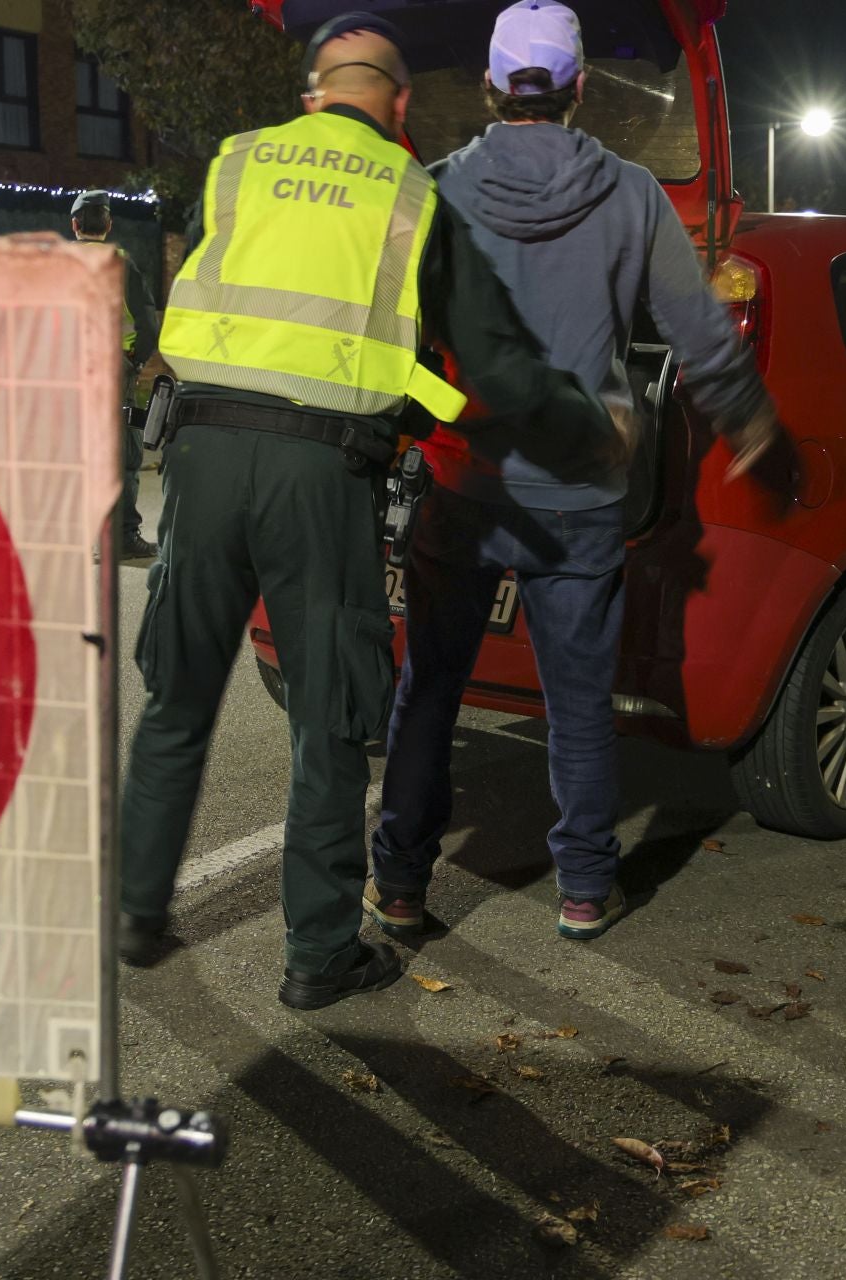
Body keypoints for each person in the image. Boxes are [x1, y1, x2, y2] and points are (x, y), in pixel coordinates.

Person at [118, 12, 596, 1008]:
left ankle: (135, 909)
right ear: (403, 103)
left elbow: (217, 307)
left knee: (176, 695)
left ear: (311, 95)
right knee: (329, 721)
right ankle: (320, 951)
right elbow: (485, 357)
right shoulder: (415, 192)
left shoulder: (239, 162)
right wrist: (560, 429)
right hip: (318, 476)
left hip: (200, 455)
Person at [367, 0, 780, 943]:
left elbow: (389, 331)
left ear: (487, 84)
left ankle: (399, 883)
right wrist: (749, 417)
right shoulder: (632, 194)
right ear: (580, 89)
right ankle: (586, 887)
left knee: (429, 689)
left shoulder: (436, 194)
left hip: (467, 479)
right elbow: (696, 327)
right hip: (582, 491)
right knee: (580, 705)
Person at [72, 189, 162, 561]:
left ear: (75, 225)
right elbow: (148, 324)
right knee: (123, 454)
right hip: (113, 368)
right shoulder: (120, 263)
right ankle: (122, 537)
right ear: (108, 224)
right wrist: (135, 362)